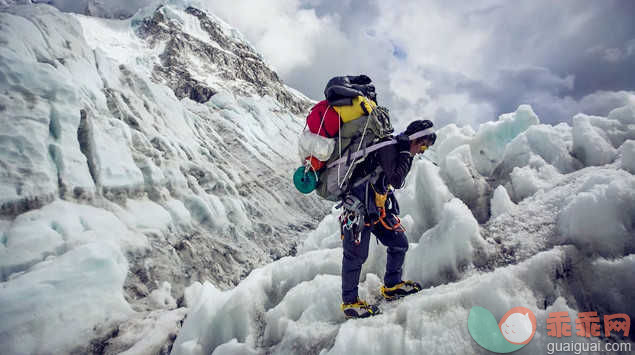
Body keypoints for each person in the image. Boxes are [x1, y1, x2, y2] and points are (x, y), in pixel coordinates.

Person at [340, 119, 437, 318]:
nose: (423, 150)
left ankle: (392, 285)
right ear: (415, 139)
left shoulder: (399, 149)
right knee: (355, 256)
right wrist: (403, 153)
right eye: (424, 145)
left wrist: (404, 154)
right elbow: (396, 179)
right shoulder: (391, 148)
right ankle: (350, 304)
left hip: (376, 209)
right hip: (357, 209)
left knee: (399, 242)